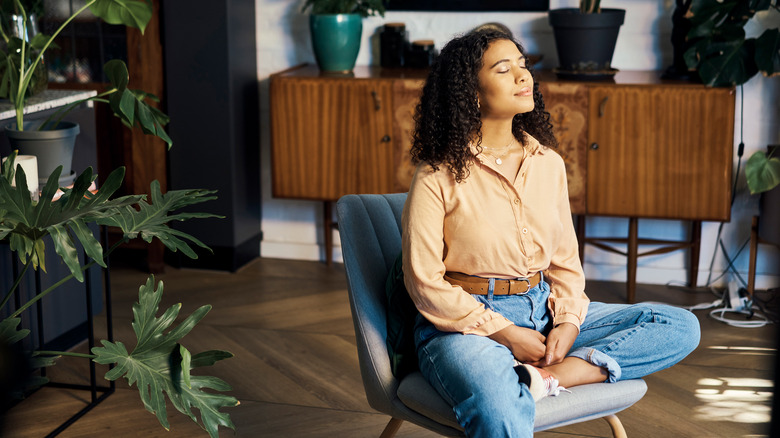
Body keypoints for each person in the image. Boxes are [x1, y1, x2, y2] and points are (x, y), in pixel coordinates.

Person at [401, 29, 700, 438]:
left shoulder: (548, 164)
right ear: (471, 92)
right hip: (465, 324)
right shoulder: (437, 174)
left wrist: (568, 324)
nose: (523, 75)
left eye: (523, 65)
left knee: (679, 325)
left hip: (544, 310)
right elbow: (423, 281)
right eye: (503, 69)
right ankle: (523, 377)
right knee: (498, 403)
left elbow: (564, 264)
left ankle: (548, 378)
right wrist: (506, 334)